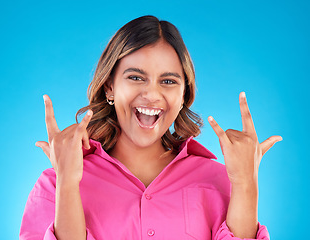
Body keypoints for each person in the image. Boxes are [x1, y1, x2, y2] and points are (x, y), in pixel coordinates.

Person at [20, 15, 282, 240]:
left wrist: (246, 183)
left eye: (168, 81)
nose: (152, 94)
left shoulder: (219, 181)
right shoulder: (53, 184)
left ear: (183, 97)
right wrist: (67, 186)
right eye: (135, 77)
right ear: (110, 86)